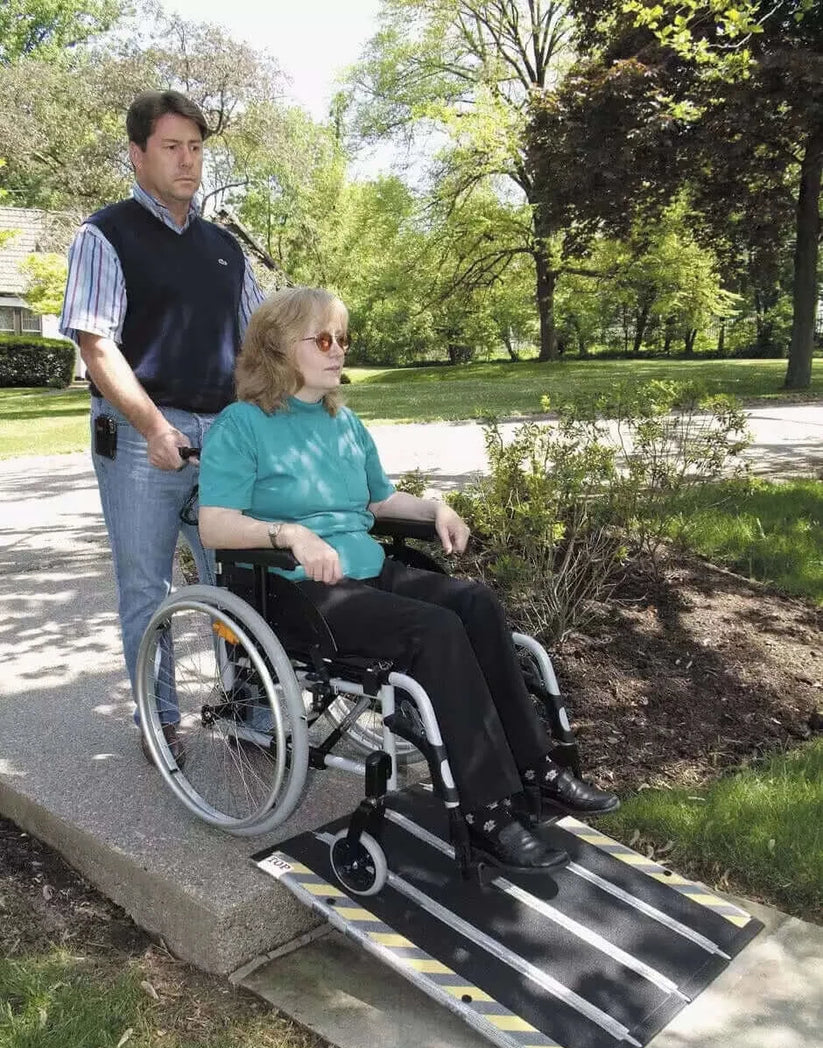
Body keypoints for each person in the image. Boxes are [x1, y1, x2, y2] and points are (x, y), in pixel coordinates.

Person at [198, 287, 619, 871]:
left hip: (366, 570)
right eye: (324, 339)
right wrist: (289, 534)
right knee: (435, 630)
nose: (339, 350)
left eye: (343, 338)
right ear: (277, 348)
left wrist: (436, 509)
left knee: (474, 602)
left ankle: (536, 770)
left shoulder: (343, 423)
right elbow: (216, 524)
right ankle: (487, 811)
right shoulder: (241, 426)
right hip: (297, 588)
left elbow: (382, 499)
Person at [59, 90, 264, 762]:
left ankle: (245, 706)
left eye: (196, 147)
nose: (187, 160)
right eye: (171, 146)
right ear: (137, 153)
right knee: (148, 587)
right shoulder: (105, 234)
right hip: (143, 437)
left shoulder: (225, 249)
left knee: (237, 578)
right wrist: (152, 427)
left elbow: (258, 344)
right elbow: (96, 345)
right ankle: (160, 719)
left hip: (223, 434)